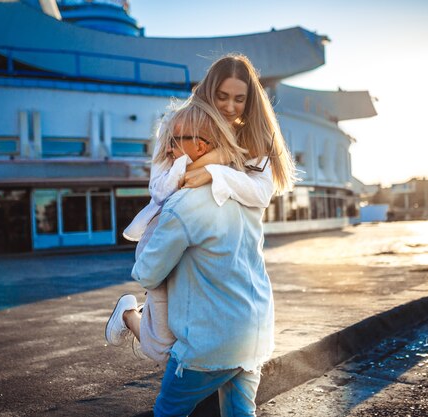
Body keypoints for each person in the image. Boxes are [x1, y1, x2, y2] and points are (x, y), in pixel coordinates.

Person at [105, 53, 296, 363]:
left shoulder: (251, 133)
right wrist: (206, 159)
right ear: (209, 90)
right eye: (222, 96)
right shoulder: (179, 122)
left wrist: (215, 167)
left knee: (211, 337)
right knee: (161, 346)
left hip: (216, 250)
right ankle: (128, 313)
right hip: (168, 237)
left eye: (239, 99)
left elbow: (261, 193)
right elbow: (159, 188)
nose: (230, 106)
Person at [131, 139, 275, 416]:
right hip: (253, 332)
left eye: (175, 142)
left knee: (168, 412)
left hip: (206, 345)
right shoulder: (245, 193)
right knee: (240, 412)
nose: (169, 150)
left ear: (201, 144)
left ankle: (128, 315)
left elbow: (147, 274)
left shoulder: (184, 203)